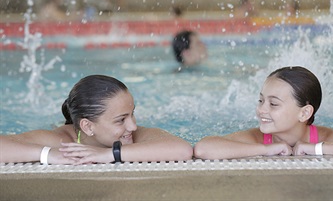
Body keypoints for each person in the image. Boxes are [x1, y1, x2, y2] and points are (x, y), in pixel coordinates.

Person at [0, 75, 193, 164]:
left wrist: (108, 155)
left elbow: (183, 149)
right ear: (87, 126)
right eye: (121, 120)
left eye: (132, 113)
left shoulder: (135, 134)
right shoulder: (62, 142)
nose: (133, 126)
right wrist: (48, 154)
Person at [194, 66, 333, 159]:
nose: (260, 110)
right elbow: (203, 148)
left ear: (304, 113)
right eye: (261, 100)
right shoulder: (257, 138)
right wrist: (265, 149)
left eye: (273, 104)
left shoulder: (325, 136)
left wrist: (317, 148)